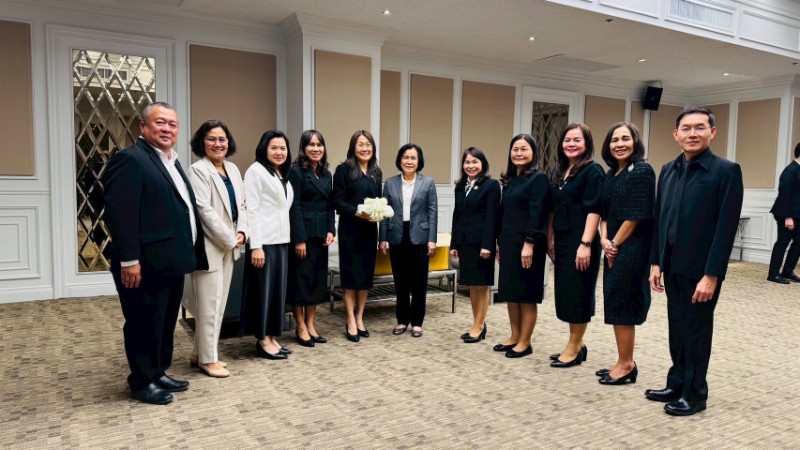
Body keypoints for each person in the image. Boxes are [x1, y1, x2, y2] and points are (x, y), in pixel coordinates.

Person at [103, 101, 208, 405]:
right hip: (143, 263)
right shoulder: (130, 159)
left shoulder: (171, 161)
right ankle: (141, 381)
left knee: (164, 321)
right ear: (143, 126)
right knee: (143, 322)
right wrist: (130, 260)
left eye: (172, 124)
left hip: (170, 260)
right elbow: (120, 215)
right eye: (160, 122)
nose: (167, 129)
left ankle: (158, 371)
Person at [647, 106, 743, 416]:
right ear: (676, 135)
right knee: (677, 327)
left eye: (700, 127)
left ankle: (695, 394)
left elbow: (725, 229)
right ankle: (677, 383)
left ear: (712, 132)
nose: (692, 133)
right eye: (686, 128)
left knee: (696, 332)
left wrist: (712, 275)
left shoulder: (726, 171)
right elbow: (660, 219)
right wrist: (656, 262)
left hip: (701, 271)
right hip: (671, 265)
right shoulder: (668, 169)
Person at [185, 120, 247, 378]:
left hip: (231, 243)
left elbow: (242, 205)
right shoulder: (197, 170)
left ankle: (198, 353)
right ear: (202, 142)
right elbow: (204, 211)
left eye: (222, 139)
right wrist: (230, 238)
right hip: (209, 246)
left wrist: (242, 231)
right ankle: (208, 360)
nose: (218, 144)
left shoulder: (232, 169)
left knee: (218, 303)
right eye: (212, 139)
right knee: (209, 304)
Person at [596, 123, 655, 385]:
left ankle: (627, 364)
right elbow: (605, 212)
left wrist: (614, 244)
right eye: (614, 140)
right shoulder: (612, 173)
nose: (619, 144)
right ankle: (622, 359)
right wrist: (604, 239)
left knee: (623, 302)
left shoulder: (642, 170)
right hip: (613, 245)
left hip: (632, 248)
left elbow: (635, 216)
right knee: (615, 299)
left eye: (625, 139)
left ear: (635, 142)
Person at [546, 123, 604, 368]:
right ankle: (577, 344)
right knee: (567, 293)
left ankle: (573, 346)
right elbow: (553, 208)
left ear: (586, 143)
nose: (571, 144)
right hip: (562, 240)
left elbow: (594, 210)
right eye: (567, 140)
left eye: (577, 140)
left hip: (582, 241)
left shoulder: (593, 171)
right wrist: (550, 237)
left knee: (579, 293)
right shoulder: (560, 171)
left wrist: (585, 243)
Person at [494, 134, 549, 358]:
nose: (518, 153)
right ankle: (514, 336)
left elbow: (538, 214)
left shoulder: (539, 179)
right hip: (509, 243)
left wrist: (529, 243)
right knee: (511, 291)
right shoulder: (511, 180)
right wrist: (499, 243)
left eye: (524, 149)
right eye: (515, 149)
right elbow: (504, 214)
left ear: (533, 152)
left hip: (529, 244)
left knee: (526, 293)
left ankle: (525, 342)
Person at [242, 130, 294, 360]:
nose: (279, 152)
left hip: (281, 241)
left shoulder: (280, 173)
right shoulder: (255, 171)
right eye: (274, 148)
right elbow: (252, 210)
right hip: (264, 244)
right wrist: (256, 246)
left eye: (283, 148)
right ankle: (262, 339)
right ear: (264, 149)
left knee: (276, 293)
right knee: (263, 293)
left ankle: (272, 336)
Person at [380, 144, 438, 338]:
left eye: (413, 158)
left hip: (420, 238)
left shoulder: (428, 183)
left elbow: (432, 213)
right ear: (400, 160)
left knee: (419, 282)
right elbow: (384, 213)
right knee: (401, 282)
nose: (409, 161)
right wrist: (383, 238)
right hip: (397, 237)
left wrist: (432, 240)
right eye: (406, 157)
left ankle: (417, 323)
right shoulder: (390, 183)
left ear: (419, 161)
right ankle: (402, 321)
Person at [333, 130, 382, 343]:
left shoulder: (376, 171)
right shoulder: (343, 170)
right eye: (360, 144)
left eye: (368, 144)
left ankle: (360, 317)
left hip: (369, 231)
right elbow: (337, 200)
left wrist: (380, 212)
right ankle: (350, 319)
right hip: (350, 230)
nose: (365, 148)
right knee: (350, 277)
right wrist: (356, 212)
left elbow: (378, 200)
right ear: (353, 147)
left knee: (365, 277)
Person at [287, 130, 336, 347]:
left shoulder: (326, 174)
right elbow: (294, 207)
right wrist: (299, 239)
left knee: (316, 281)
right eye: (311, 145)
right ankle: (300, 326)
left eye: (319, 145)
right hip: (304, 235)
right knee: (300, 281)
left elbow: (329, 205)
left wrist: (331, 229)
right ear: (303, 148)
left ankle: (311, 324)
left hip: (321, 234)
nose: (316, 149)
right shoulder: (296, 171)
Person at [450, 147, 501, 343]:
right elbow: (457, 216)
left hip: (482, 244)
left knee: (482, 285)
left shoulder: (491, 185)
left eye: (475, 162)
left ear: (483, 164)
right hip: (465, 242)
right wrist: (454, 243)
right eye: (467, 162)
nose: (470, 165)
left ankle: (479, 325)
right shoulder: (460, 186)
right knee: (472, 284)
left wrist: (488, 245)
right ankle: (477, 323)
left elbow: (492, 217)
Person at [767, 142, 800, 284]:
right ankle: (773, 274)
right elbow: (784, 195)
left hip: (798, 214)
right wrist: (788, 217)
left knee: (798, 244)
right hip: (787, 214)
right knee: (782, 243)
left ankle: (787, 271)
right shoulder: (790, 170)